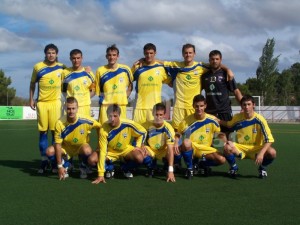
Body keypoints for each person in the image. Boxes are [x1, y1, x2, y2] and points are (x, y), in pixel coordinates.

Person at [164, 43, 234, 131]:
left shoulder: (200, 66)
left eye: (190, 53)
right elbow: (160, 63)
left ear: (194, 54)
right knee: (177, 132)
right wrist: (143, 60)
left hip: (195, 107)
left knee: (195, 132)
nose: (188, 55)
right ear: (182, 54)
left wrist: (228, 69)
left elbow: (216, 64)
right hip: (179, 107)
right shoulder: (175, 65)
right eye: (186, 53)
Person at [29, 43, 66, 173]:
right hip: (42, 103)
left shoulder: (62, 67)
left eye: (53, 53)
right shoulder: (38, 67)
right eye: (49, 53)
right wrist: (31, 99)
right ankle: (44, 161)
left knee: (55, 133)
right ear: (45, 54)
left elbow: (73, 73)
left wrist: (87, 70)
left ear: (57, 54)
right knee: (43, 132)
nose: (51, 55)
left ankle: (55, 161)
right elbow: (32, 83)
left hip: (56, 103)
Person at [219, 95, 276, 178]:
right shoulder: (237, 117)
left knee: (272, 152)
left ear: (254, 105)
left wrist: (261, 153)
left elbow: (269, 140)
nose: (246, 107)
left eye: (249, 104)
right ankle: (233, 167)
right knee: (226, 147)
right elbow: (229, 125)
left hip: (255, 149)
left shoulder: (260, 120)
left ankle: (262, 168)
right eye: (244, 105)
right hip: (240, 148)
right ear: (241, 106)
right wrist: (217, 120)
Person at [89, 104, 147, 184]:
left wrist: (138, 145)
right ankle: (109, 168)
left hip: (125, 150)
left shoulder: (128, 124)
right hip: (110, 152)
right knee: (92, 159)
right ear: (107, 115)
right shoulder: (103, 129)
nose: (112, 119)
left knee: (140, 157)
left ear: (119, 115)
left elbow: (143, 132)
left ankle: (125, 168)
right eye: (110, 116)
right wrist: (100, 174)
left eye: (115, 116)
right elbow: (103, 151)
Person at [46, 97, 101, 180]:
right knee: (49, 151)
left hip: (80, 148)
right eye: (68, 109)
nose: (71, 111)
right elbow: (57, 145)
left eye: (73, 108)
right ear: (65, 109)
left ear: (77, 108)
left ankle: (83, 166)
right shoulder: (59, 123)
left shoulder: (86, 120)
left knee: (87, 150)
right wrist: (59, 166)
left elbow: (100, 127)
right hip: (66, 149)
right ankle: (66, 164)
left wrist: (99, 146)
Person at [175, 94, 226, 179]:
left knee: (222, 160)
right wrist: (176, 142)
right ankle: (189, 168)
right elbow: (178, 134)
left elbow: (218, 135)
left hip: (205, 149)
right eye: (197, 106)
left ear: (205, 106)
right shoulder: (186, 121)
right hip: (192, 147)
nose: (199, 109)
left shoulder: (212, 120)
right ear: (193, 106)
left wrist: (223, 141)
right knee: (186, 142)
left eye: (201, 106)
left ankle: (201, 164)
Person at [201, 50, 242, 131]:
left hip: (224, 112)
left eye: (217, 59)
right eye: (212, 59)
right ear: (209, 60)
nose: (214, 61)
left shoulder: (226, 74)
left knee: (229, 139)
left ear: (221, 60)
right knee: (211, 140)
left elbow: (236, 91)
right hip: (209, 113)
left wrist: (243, 105)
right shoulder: (204, 76)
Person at [131, 43, 170, 124]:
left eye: (151, 53)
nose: (149, 55)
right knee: (137, 134)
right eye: (146, 53)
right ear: (144, 53)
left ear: (155, 53)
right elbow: (128, 79)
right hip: (139, 107)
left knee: (153, 134)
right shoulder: (138, 67)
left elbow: (170, 82)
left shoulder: (161, 68)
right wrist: (133, 66)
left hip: (154, 109)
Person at [95, 44, 133, 124]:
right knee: (104, 132)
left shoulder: (125, 69)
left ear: (118, 56)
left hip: (121, 106)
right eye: (109, 55)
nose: (111, 57)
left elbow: (130, 86)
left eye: (114, 55)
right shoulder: (100, 70)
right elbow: (98, 90)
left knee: (120, 132)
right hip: (106, 106)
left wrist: (124, 97)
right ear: (106, 56)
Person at [141, 103, 176, 182]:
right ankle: (151, 166)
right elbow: (138, 138)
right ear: (153, 114)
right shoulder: (145, 125)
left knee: (176, 153)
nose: (158, 117)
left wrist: (171, 171)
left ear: (164, 115)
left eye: (161, 115)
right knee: (139, 151)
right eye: (156, 114)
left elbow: (170, 149)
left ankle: (167, 167)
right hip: (151, 150)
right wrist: (141, 145)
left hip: (163, 151)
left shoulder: (168, 128)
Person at [62, 49, 95, 117]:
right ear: (70, 58)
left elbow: (94, 90)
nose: (76, 60)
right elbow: (63, 91)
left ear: (82, 58)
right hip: (70, 107)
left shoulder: (88, 73)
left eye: (78, 58)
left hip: (85, 107)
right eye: (74, 58)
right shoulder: (65, 73)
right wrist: (70, 101)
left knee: (84, 127)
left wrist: (85, 98)